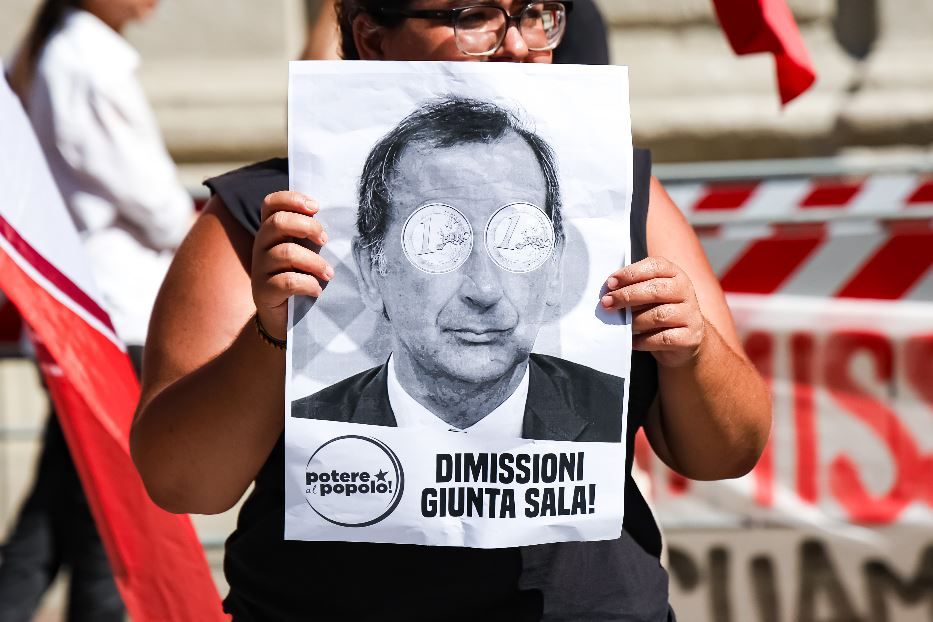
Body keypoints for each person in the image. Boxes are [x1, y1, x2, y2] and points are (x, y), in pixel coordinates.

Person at [131, 1, 772, 620]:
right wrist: (271, 336)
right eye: (473, 16)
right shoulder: (266, 214)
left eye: (535, 12)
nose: (518, 43)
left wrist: (695, 353)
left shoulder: (622, 198)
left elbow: (728, 452)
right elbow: (184, 483)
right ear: (372, 38)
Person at [1, 1, 193, 620]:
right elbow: (158, 204)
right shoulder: (86, 61)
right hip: (115, 316)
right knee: (107, 522)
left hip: (96, 311)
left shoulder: (59, 53)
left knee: (63, 507)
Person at [291, 96, 625, 441]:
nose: (484, 289)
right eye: (438, 241)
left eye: (517, 241)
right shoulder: (305, 431)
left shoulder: (616, 412)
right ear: (371, 271)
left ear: (554, 266)